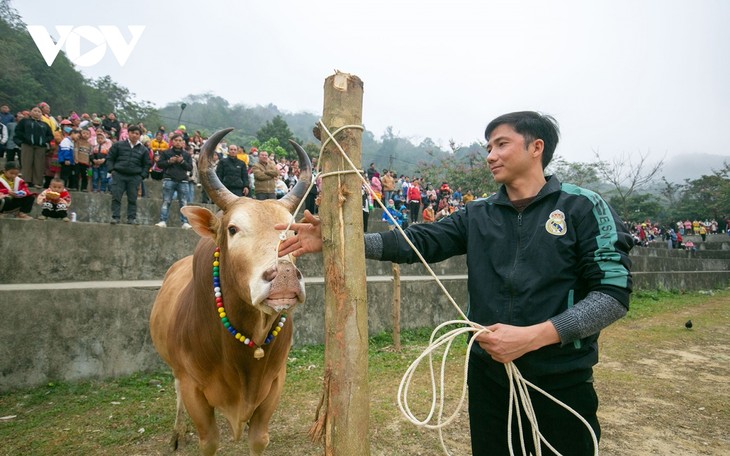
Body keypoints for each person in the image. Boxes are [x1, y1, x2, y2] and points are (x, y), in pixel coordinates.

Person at [276, 111, 633, 456]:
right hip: (489, 375)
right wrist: (338, 241)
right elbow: (417, 241)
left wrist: (531, 337)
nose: (491, 156)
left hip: (561, 378)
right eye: (488, 148)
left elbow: (612, 294)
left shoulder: (583, 207)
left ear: (536, 147)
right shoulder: (478, 213)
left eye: (501, 144)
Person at [107, 124, 151, 225]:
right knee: (116, 197)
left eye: (137, 133)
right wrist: (112, 170)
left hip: (134, 177)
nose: (134, 135)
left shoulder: (143, 149)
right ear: (128, 133)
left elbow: (147, 164)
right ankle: (115, 217)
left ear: (140, 135)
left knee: (132, 198)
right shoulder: (118, 145)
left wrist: (142, 176)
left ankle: (131, 218)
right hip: (119, 174)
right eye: (132, 133)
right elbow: (110, 158)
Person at [155, 134, 193, 229]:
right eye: (176, 140)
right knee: (166, 201)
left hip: (183, 181)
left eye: (180, 140)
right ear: (172, 141)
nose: (178, 142)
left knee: (183, 203)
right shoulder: (165, 153)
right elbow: (159, 164)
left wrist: (182, 161)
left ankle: (185, 222)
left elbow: (190, 167)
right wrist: (169, 162)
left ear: (183, 142)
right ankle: (163, 220)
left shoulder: (187, 155)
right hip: (169, 179)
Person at [13, 106, 53, 188]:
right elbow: (18, 132)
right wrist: (22, 141)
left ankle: (37, 182)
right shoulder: (24, 121)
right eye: (35, 111)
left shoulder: (44, 124)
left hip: (40, 147)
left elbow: (50, 135)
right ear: (30, 112)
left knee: (39, 165)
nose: (37, 113)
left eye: (39, 112)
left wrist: (44, 141)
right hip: (27, 145)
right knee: (26, 163)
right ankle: (26, 181)